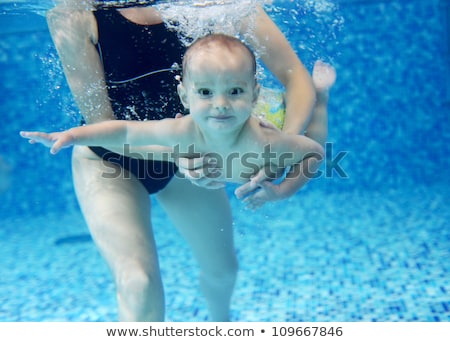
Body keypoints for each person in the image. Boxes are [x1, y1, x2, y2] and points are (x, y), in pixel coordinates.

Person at [40, 0, 325, 322]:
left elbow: (295, 77)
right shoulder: (74, 14)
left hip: (195, 155)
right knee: (137, 281)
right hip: (111, 161)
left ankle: (221, 326)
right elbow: (104, 129)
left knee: (223, 270)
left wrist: (273, 152)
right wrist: (183, 155)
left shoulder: (220, 4)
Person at [21, 33, 326, 203]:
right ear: (185, 98)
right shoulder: (182, 129)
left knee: (314, 127)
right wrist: (74, 135)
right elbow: (126, 132)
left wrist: (283, 191)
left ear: (252, 94)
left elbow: (315, 151)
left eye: (233, 91)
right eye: (205, 93)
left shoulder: (266, 141)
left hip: (267, 113)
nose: (220, 105)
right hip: (247, 113)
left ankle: (322, 94)